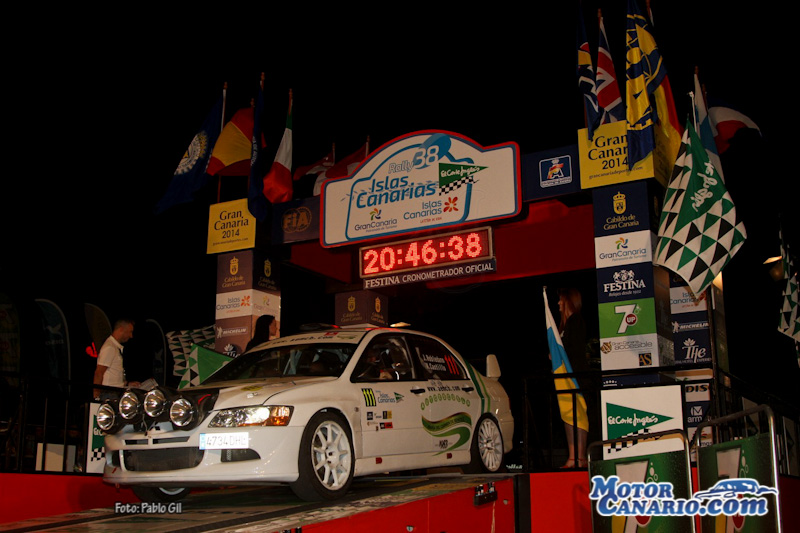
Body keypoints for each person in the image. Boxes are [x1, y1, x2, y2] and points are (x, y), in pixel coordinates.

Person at [557, 288, 589, 468]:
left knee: (579, 416)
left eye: (561, 300)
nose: (558, 304)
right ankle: (572, 456)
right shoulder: (565, 324)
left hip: (576, 376)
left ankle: (580, 457)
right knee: (568, 416)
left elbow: (574, 349)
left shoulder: (576, 321)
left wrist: (560, 355)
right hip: (565, 377)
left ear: (569, 301)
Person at [93, 318, 138, 398]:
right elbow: (99, 373)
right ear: (121, 329)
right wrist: (96, 396)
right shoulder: (110, 347)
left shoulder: (114, 347)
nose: (131, 336)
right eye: (130, 332)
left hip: (114, 392)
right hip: (109, 394)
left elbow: (113, 374)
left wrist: (127, 384)